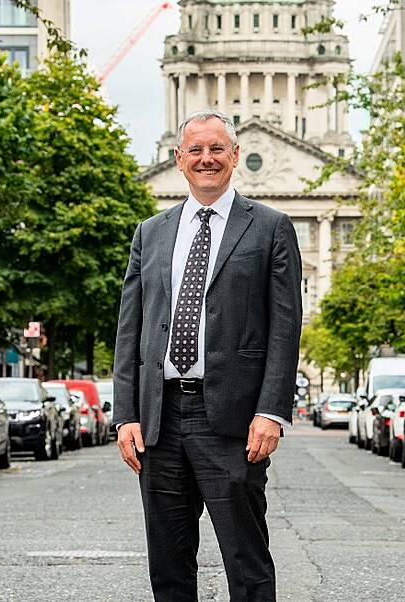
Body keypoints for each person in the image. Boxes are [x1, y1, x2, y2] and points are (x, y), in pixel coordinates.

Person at [113, 109, 302, 602]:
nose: (206, 159)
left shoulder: (270, 227)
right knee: (169, 566)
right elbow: (130, 330)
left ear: (235, 156)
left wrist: (271, 411)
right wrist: (126, 414)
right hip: (160, 420)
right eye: (195, 150)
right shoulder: (150, 232)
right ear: (179, 160)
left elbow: (285, 327)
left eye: (217, 148)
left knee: (246, 561)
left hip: (234, 422)